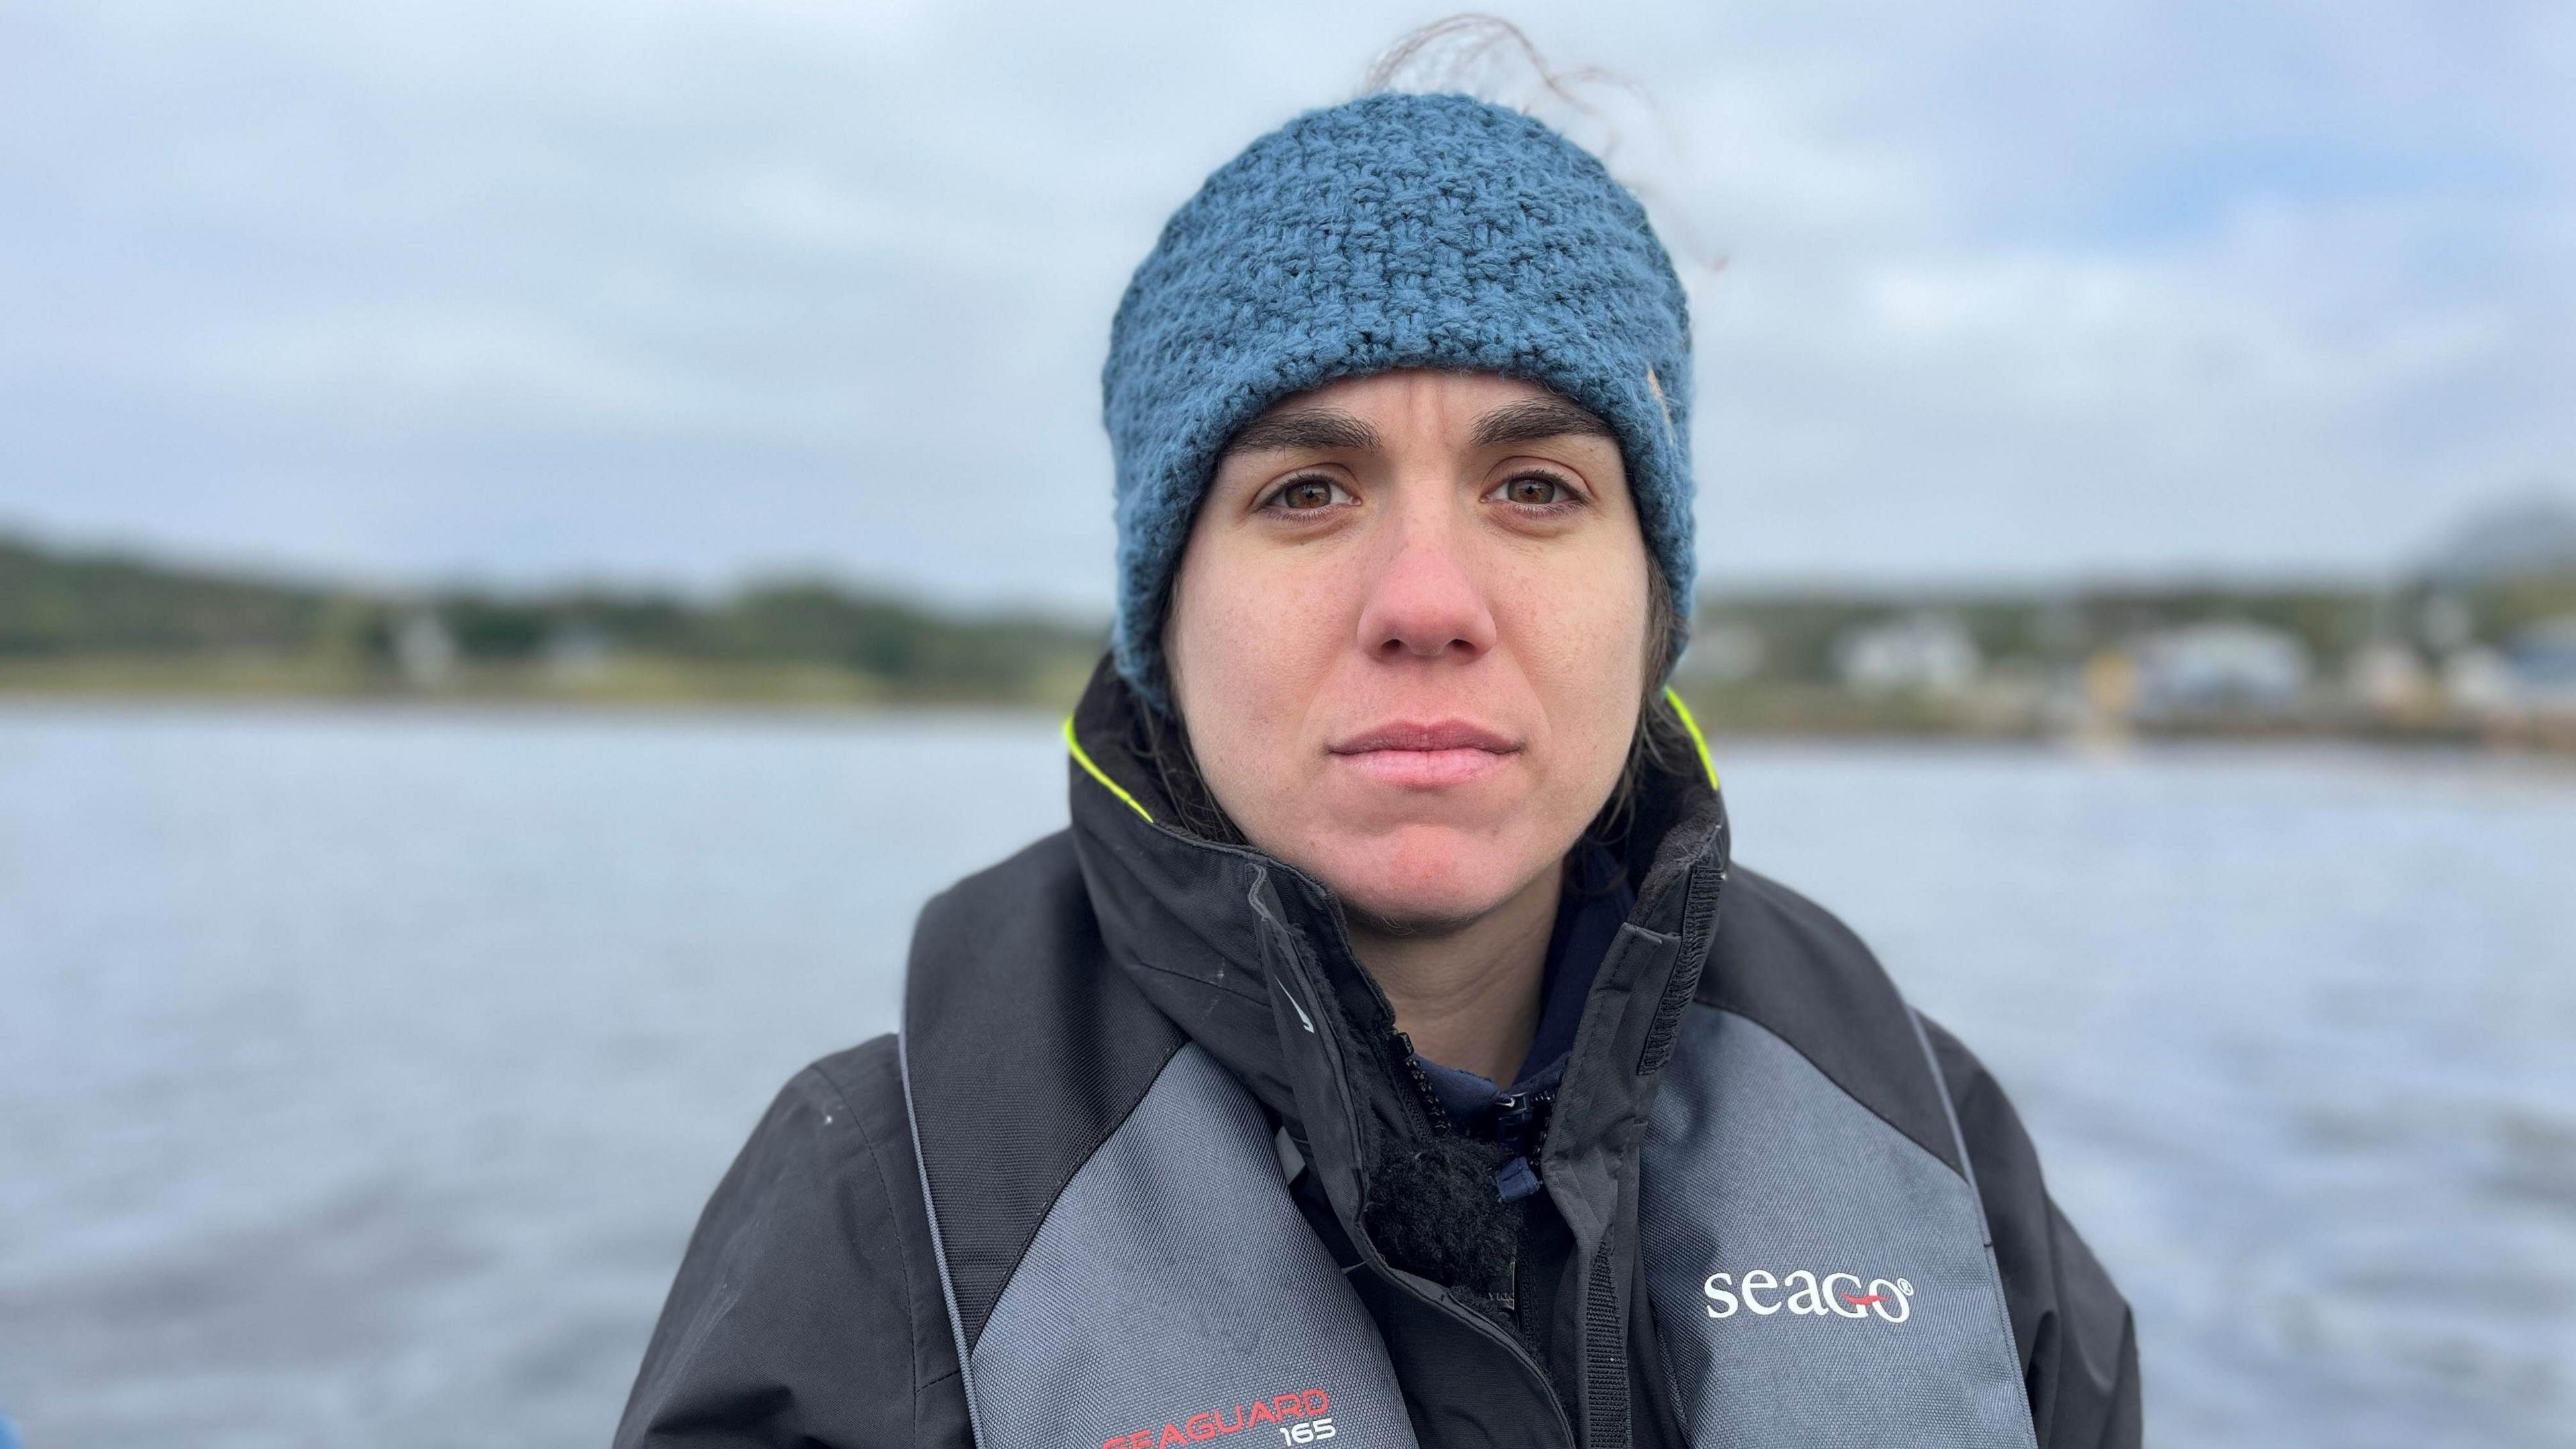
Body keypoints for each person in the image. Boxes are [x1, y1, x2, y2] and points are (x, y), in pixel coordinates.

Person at [615, 87, 2140, 1449]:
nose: (1426, 602)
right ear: (1166, 610)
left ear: (1656, 608)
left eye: (1536, 487)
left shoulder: (1934, 1157)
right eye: (1306, 490)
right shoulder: (876, 1222)